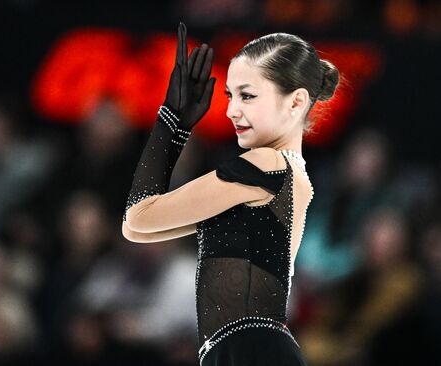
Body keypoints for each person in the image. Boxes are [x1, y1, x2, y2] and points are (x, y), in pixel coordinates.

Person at [122, 22, 339, 366]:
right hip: (251, 348)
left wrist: (172, 121)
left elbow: (138, 215)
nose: (231, 111)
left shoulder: (264, 165)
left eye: (248, 95)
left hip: (249, 349)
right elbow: (138, 231)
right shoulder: (292, 176)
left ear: (296, 101)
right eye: (230, 95)